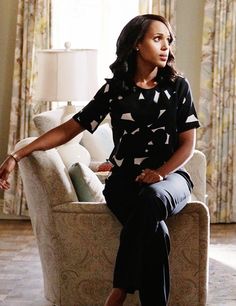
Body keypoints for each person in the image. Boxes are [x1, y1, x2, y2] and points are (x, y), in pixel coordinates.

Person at [0, 14, 200, 306]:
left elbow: (188, 144)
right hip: (123, 183)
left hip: (170, 178)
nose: (165, 46)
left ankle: (119, 290)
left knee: (153, 198)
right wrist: (17, 154)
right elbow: (71, 127)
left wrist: (159, 173)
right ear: (136, 44)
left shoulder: (177, 86)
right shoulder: (115, 90)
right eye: (157, 39)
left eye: (168, 40)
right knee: (156, 233)